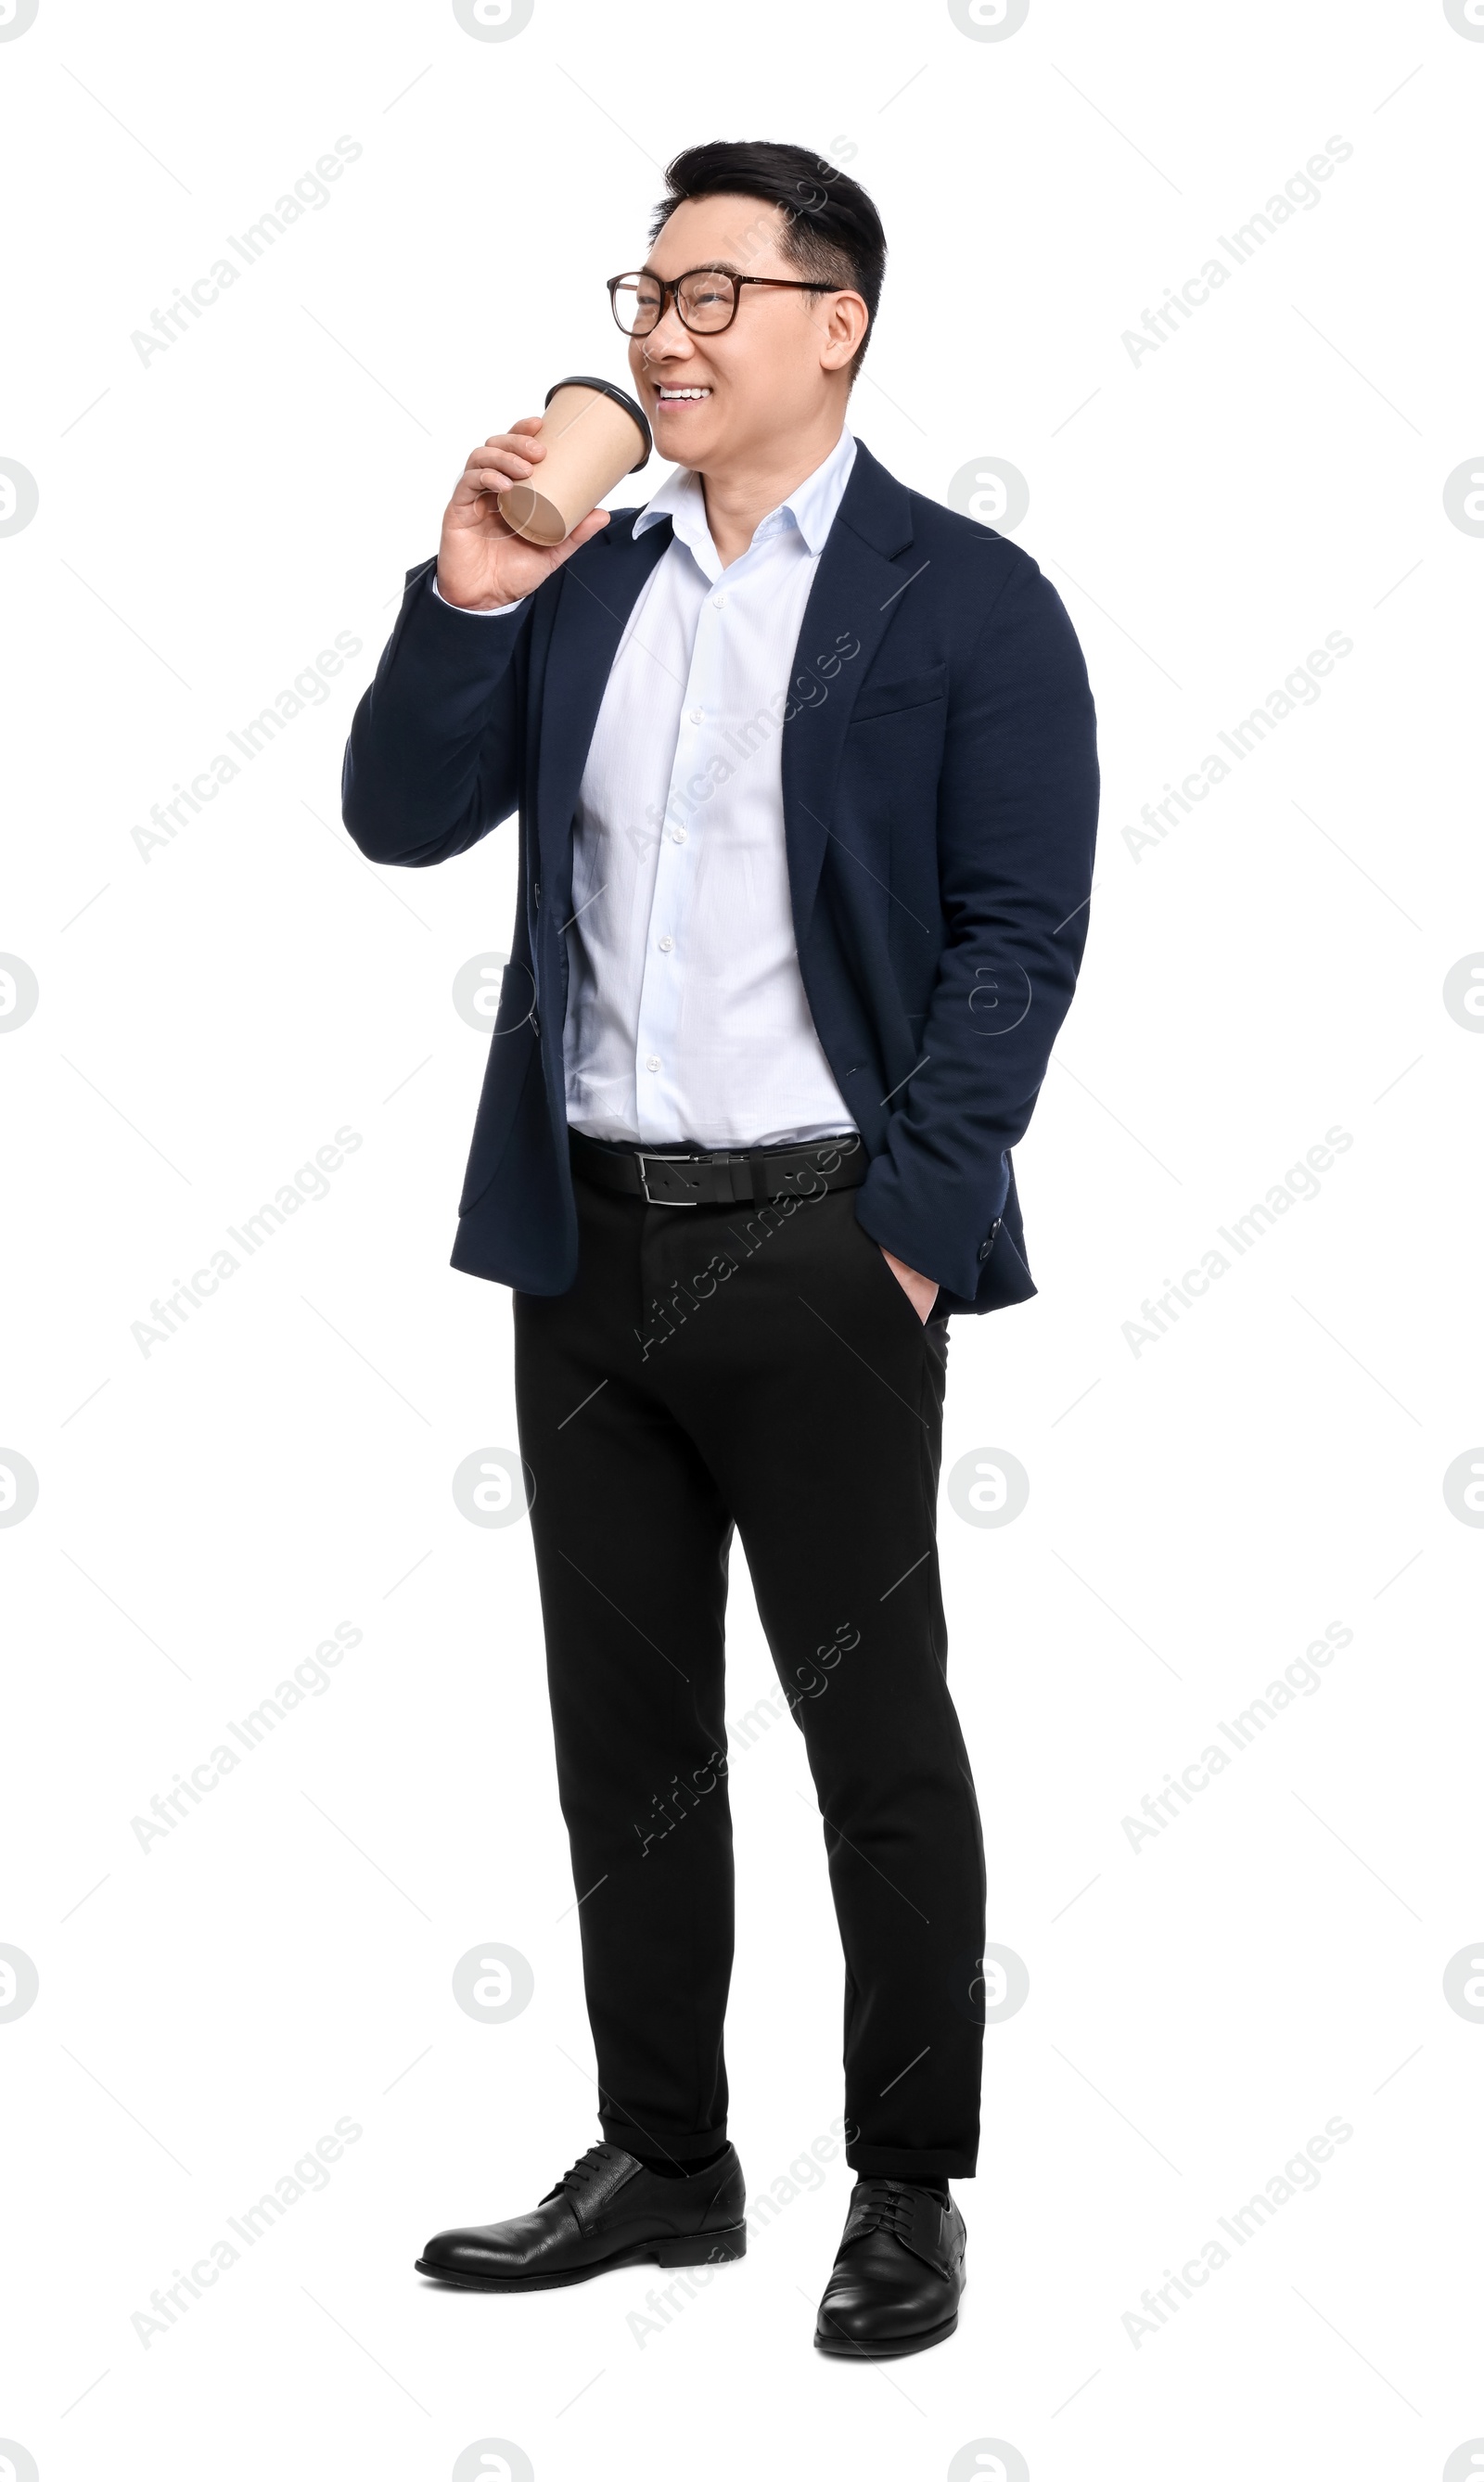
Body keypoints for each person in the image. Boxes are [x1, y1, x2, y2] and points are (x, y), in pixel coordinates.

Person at [342, 136, 1098, 2360]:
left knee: (877, 1737)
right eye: (641, 299)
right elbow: (400, 816)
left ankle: (903, 2186)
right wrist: (475, 576)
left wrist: (910, 1229)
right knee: (626, 1734)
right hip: (578, 1236)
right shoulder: (581, 574)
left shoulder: (964, 601)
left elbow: (1014, 940)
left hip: (816, 1243)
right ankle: (667, 2158)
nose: (658, 337)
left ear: (832, 321)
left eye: (707, 296)